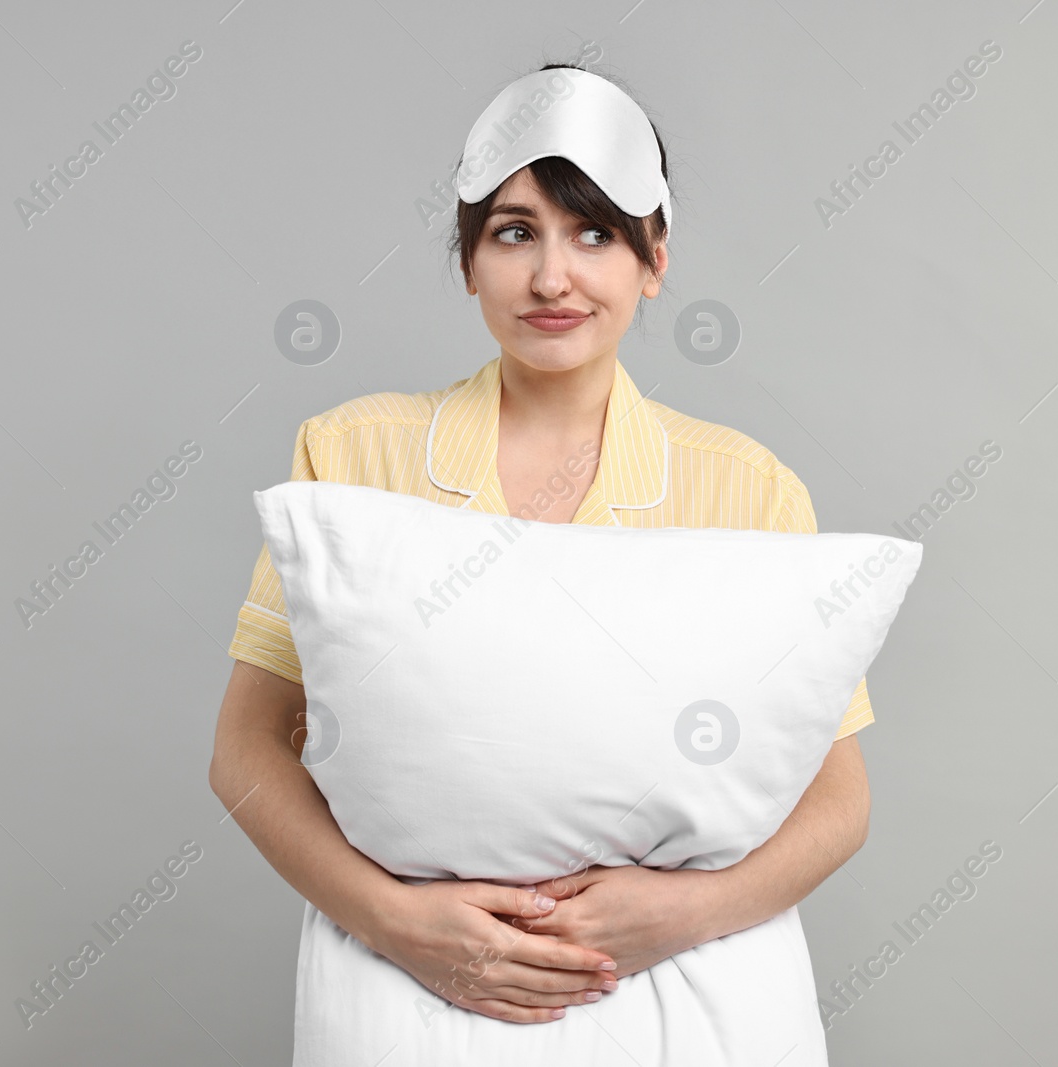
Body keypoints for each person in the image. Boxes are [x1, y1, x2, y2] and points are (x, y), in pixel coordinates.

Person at [209, 62, 871, 1060]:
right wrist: (395, 920)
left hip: (687, 987)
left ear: (654, 257)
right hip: (410, 986)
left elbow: (840, 797)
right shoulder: (351, 458)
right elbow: (246, 750)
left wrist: (685, 911)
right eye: (515, 231)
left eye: (594, 231)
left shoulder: (747, 488)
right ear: (468, 259)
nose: (552, 277)